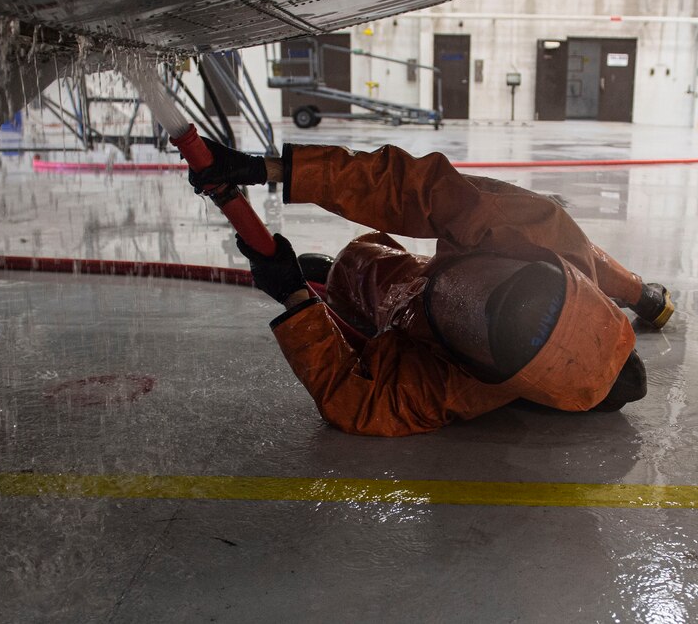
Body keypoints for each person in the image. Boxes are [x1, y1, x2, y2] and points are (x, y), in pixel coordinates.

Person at [190, 140, 673, 436]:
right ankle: (340, 272)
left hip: (402, 310)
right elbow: (414, 188)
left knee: (354, 267)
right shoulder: (539, 234)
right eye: (502, 288)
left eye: (488, 322)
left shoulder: (456, 389)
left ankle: (336, 276)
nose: (472, 295)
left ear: (492, 372)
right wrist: (268, 169)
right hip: (424, 276)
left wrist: (294, 296)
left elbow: (358, 402)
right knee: (357, 261)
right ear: (536, 267)